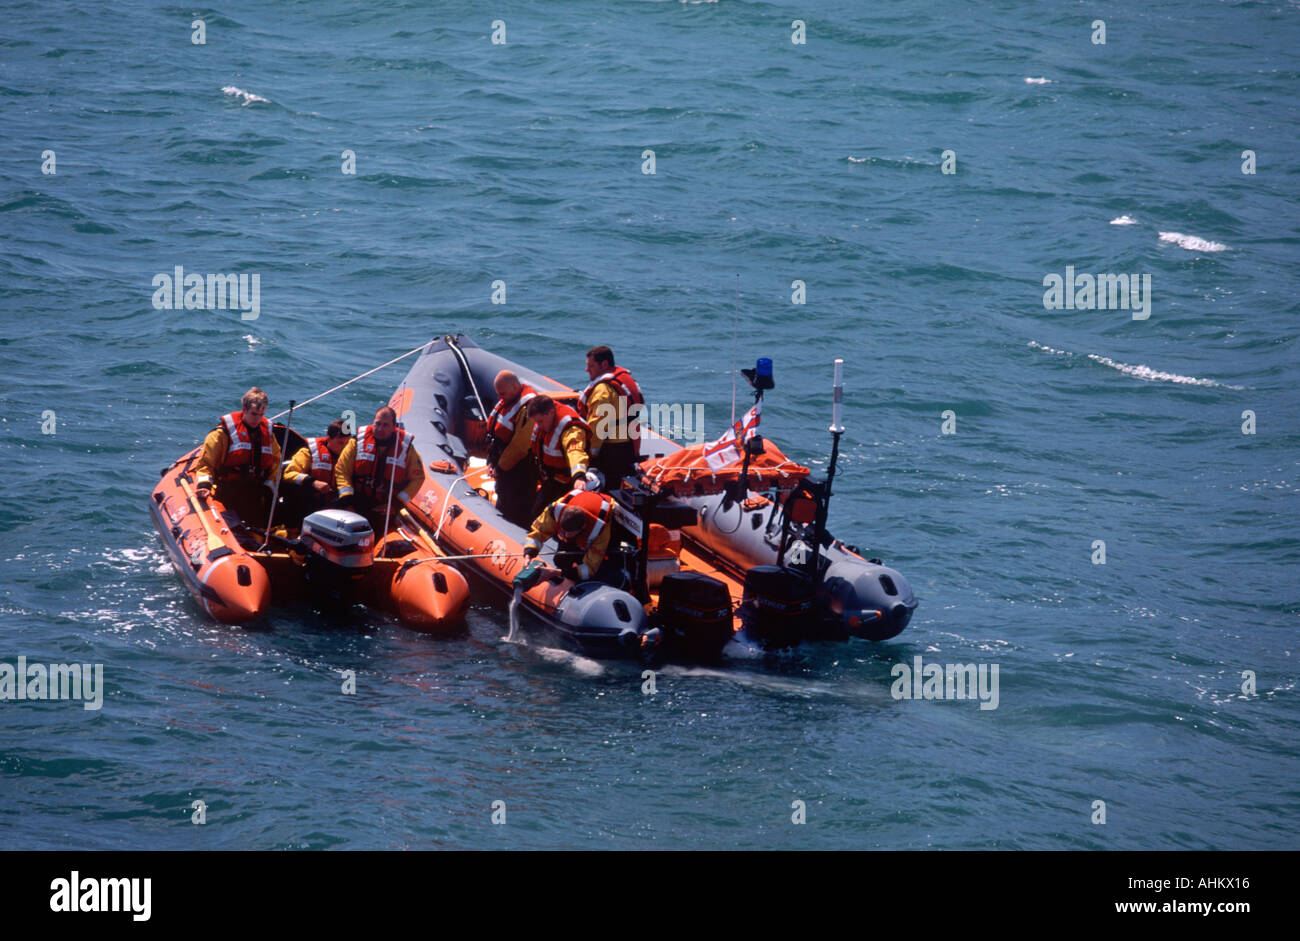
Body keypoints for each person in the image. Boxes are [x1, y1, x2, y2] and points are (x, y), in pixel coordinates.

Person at [194, 387, 283, 526]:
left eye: (261, 414)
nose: (257, 419)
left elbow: (276, 462)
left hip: (255, 490)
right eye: (254, 414)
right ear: (244, 409)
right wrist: (204, 485)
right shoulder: (222, 434)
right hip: (228, 490)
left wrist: (269, 487)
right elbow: (206, 463)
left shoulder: (268, 435)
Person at [334, 406, 425, 533]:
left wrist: (395, 505)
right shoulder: (358, 441)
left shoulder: (406, 448)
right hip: (354, 502)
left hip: (384, 508)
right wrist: (347, 500)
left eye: (385, 425)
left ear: (394, 427)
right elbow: (342, 470)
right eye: (377, 423)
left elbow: (418, 478)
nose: (380, 428)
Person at [523, 488, 624, 586]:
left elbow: (590, 568)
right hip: (583, 500)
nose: (565, 536)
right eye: (563, 531)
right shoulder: (554, 511)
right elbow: (538, 532)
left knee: (601, 571)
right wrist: (528, 554)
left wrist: (556, 572)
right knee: (560, 560)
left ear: (582, 528)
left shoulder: (600, 531)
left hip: (608, 521)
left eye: (569, 533)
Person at [576, 345, 644, 486]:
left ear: (604, 364)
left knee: (608, 485)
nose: (586, 370)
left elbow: (597, 427)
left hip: (611, 450)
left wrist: (590, 455)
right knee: (621, 482)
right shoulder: (627, 380)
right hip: (630, 445)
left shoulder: (602, 390)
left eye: (591, 366)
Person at [485, 370, 538, 527]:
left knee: (519, 507)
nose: (500, 398)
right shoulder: (507, 400)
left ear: (515, 387)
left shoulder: (528, 407)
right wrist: (491, 462)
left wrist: (500, 468)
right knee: (503, 500)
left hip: (521, 469)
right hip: (503, 465)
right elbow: (496, 437)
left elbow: (519, 447)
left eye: (503, 393)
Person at [526, 394, 591, 519]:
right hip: (549, 477)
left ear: (551, 412)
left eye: (540, 421)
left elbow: (575, 452)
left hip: (564, 484)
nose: (538, 425)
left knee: (544, 515)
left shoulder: (571, 430)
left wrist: (579, 476)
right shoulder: (545, 421)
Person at [283, 419, 349, 515]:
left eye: (347, 444)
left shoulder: (349, 456)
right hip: (309, 504)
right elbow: (288, 474)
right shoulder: (309, 452)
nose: (344, 447)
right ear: (329, 438)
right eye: (340, 443)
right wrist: (313, 482)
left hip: (336, 505)